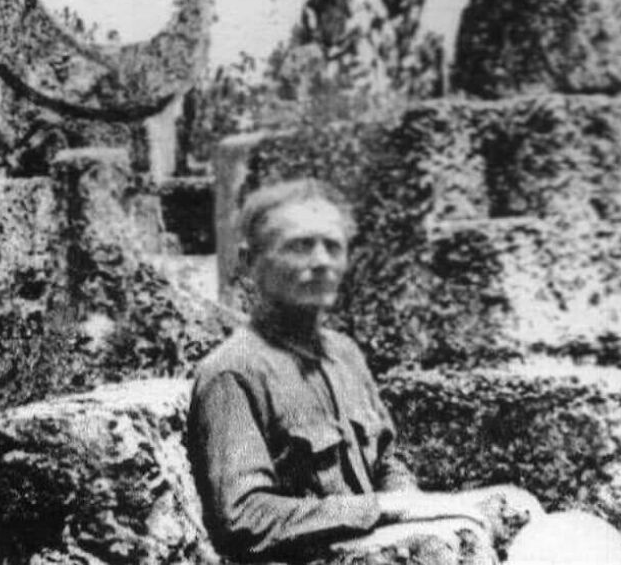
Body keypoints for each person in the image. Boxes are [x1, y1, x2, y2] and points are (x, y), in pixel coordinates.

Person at [187, 178, 546, 564]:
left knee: (527, 513)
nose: (322, 261)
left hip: (381, 551)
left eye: (333, 246)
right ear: (247, 263)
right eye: (299, 245)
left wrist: (417, 509)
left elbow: (387, 462)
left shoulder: (344, 355)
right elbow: (245, 518)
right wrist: (385, 510)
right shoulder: (232, 372)